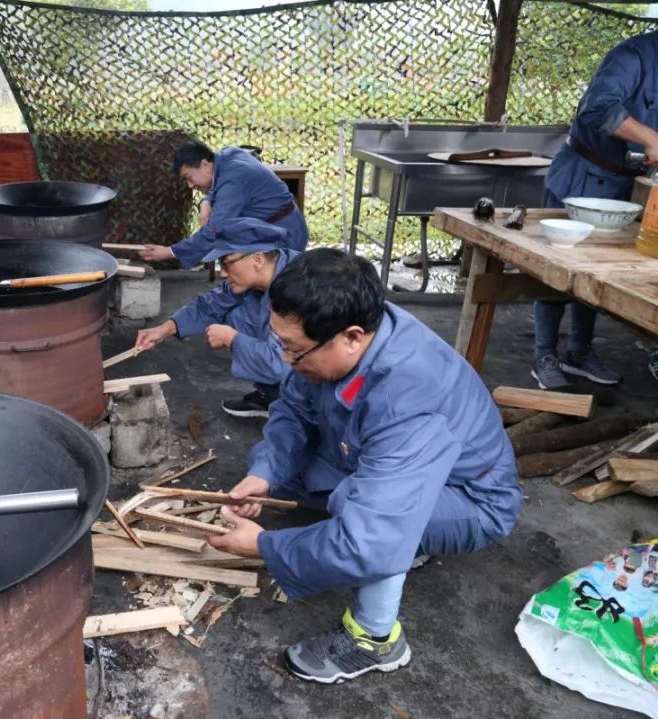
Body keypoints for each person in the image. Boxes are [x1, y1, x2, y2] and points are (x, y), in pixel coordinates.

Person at [207, 248, 523, 684]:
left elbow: (368, 538)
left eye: (293, 351)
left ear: (352, 337)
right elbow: (293, 412)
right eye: (281, 344)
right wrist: (265, 473)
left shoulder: (406, 395)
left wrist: (264, 548)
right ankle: (408, 538)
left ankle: (375, 640)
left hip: (472, 498)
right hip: (384, 462)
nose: (285, 360)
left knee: (359, 512)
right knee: (289, 473)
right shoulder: (333, 328)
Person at [531, 34, 658, 389]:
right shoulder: (634, 55)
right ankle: (544, 355)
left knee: (597, 277)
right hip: (585, 176)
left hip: (629, 188)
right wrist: (650, 137)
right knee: (558, 270)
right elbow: (598, 107)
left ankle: (578, 352)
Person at [135, 218, 294, 418]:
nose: (222, 273)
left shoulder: (298, 288)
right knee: (234, 313)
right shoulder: (256, 278)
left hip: (321, 389)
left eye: (227, 263)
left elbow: (281, 364)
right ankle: (271, 397)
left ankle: (294, 410)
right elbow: (209, 305)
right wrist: (163, 330)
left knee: (238, 325)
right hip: (287, 366)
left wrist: (231, 339)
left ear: (258, 259)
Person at [139, 141, 309, 267]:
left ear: (205, 164)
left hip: (285, 233)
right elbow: (217, 183)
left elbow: (214, 229)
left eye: (189, 178)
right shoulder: (227, 155)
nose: (190, 185)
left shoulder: (233, 181)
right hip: (272, 225)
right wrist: (206, 201)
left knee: (276, 288)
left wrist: (169, 252)